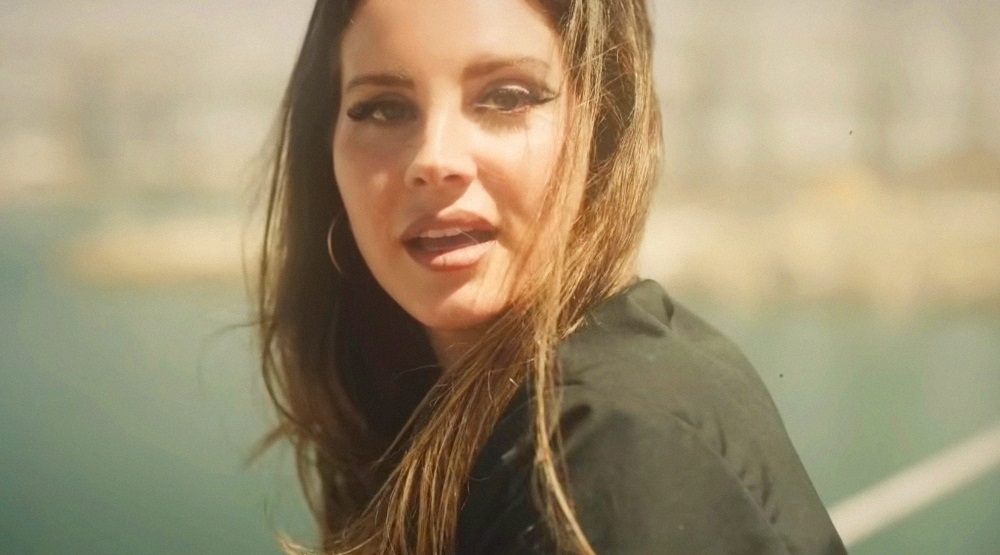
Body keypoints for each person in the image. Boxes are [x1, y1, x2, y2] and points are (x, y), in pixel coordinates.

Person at [254, 0, 848, 553]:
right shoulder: (598, 383)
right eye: (384, 108)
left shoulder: (601, 446)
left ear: (602, 125)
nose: (434, 159)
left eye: (506, 97)